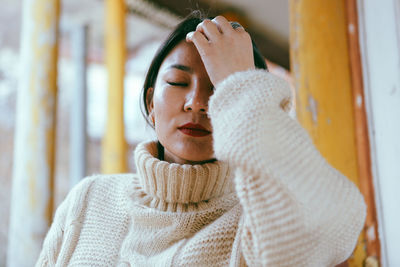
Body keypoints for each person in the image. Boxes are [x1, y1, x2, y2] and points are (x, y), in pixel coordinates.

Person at [36, 11, 366, 266]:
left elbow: (332, 228)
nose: (197, 102)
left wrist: (240, 81)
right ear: (151, 104)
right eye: (178, 81)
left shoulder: (257, 226)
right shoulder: (90, 200)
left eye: (220, 89)